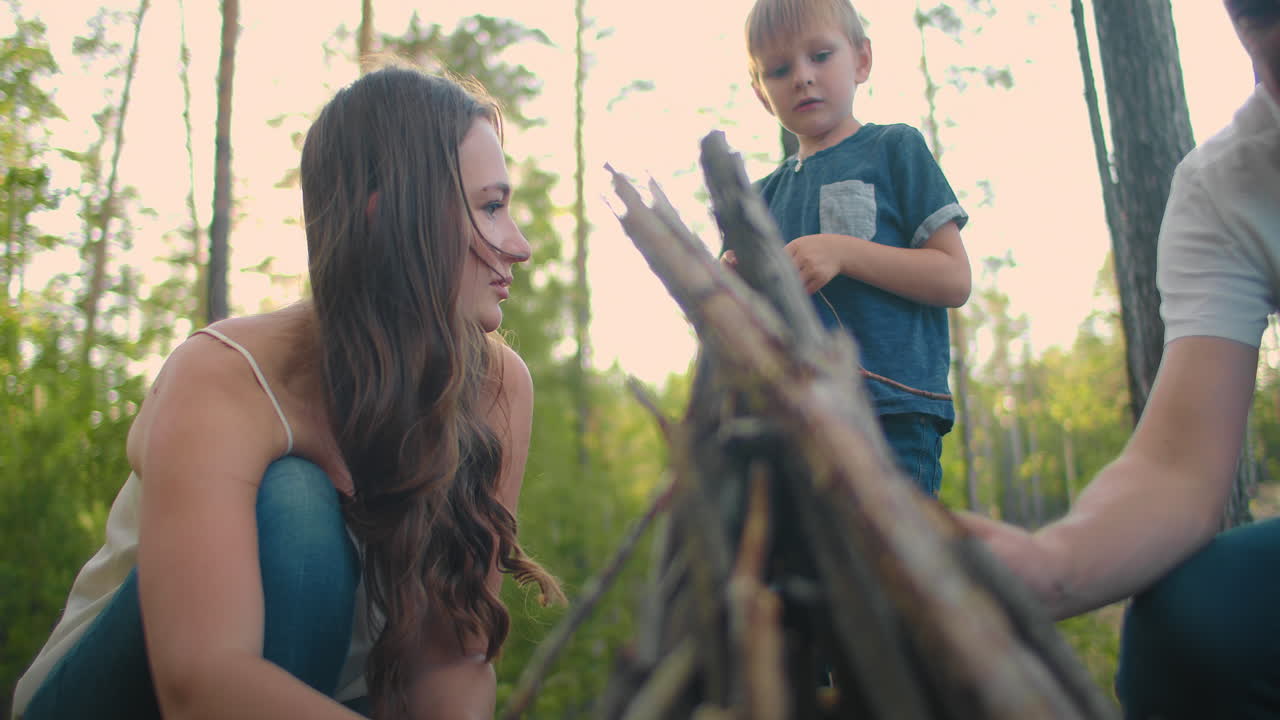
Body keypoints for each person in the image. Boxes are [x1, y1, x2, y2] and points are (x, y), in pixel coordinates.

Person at [12, 64, 563, 720]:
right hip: (117, 699)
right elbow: (202, 684)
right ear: (389, 215)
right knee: (298, 502)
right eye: (491, 207)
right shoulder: (225, 376)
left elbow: (447, 666)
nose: (519, 247)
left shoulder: (495, 389)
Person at [960, 1, 1280, 716]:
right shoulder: (1227, 188)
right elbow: (1177, 467)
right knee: (1193, 623)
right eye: (1262, 12)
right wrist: (1051, 566)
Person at [734, 0, 972, 496]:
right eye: (779, 69)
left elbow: (954, 278)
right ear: (761, 93)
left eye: (820, 55)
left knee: (893, 567)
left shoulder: (894, 149)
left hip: (892, 414)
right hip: (792, 422)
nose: (802, 76)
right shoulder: (757, 200)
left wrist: (843, 253)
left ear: (861, 60)